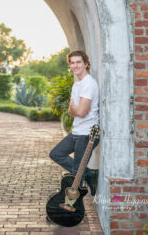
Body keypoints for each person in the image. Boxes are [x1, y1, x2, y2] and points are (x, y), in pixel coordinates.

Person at [49, 50, 99, 195]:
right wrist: (76, 108)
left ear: (86, 64)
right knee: (56, 154)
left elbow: (81, 112)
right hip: (77, 131)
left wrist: (76, 108)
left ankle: (73, 209)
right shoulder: (77, 85)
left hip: (87, 134)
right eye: (72, 63)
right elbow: (72, 112)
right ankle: (89, 173)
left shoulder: (89, 84)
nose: (75, 65)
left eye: (78, 62)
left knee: (77, 173)